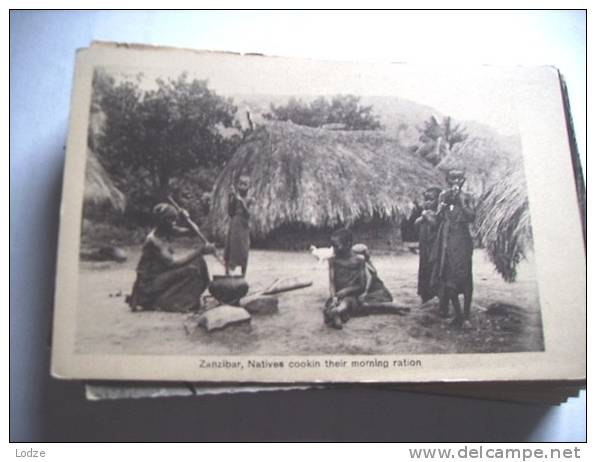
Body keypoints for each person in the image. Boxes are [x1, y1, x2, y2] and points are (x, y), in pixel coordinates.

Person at [127, 203, 215, 313]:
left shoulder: (167, 229)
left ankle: (185, 299)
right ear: (162, 221)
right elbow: (172, 263)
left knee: (199, 262)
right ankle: (167, 301)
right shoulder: (154, 240)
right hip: (149, 283)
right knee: (191, 271)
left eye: (175, 220)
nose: (174, 223)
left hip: (162, 274)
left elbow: (193, 232)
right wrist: (200, 251)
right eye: (171, 220)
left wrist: (187, 219)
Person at [324, 229, 409, 329]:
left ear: (348, 244)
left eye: (336, 245)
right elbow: (332, 282)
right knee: (331, 302)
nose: (334, 249)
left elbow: (361, 285)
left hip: (351, 295)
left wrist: (345, 291)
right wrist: (333, 296)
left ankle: (338, 312)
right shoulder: (332, 260)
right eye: (332, 245)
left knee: (347, 302)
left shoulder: (359, 261)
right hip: (338, 295)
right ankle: (337, 312)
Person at [431, 169, 476, 326]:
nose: (456, 181)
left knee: (465, 274)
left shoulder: (468, 196)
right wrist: (442, 207)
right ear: (447, 180)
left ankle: (466, 314)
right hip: (447, 240)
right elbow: (437, 219)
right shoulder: (443, 196)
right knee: (449, 275)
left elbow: (471, 217)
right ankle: (457, 314)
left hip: (462, 240)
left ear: (464, 180)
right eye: (452, 178)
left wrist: (461, 202)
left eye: (459, 178)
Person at [415, 187, 442, 303]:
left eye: (431, 199)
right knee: (424, 270)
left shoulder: (440, 213)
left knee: (436, 270)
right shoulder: (424, 214)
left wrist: (426, 215)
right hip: (425, 248)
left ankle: (440, 296)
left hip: (436, 249)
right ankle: (425, 295)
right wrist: (423, 216)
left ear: (438, 200)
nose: (427, 202)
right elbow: (415, 224)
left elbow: (435, 223)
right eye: (425, 199)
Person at [224, 174, 252, 277]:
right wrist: (231, 198)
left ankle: (243, 274)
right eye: (240, 184)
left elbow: (248, 214)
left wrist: (241, 201)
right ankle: (227, 273)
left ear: (249, 187)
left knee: (243, 248)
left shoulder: (250, 199)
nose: (242, 186)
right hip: (234, 224)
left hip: (243, 226)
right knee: (230, 247)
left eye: (245, 184)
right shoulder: (235, 198)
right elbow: (230, 213)